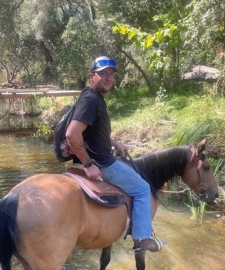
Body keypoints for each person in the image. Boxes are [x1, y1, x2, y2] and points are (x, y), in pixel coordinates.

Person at [65, 55, 165, 254]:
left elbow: (92, 134)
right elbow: (72, 134)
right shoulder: (91, 100)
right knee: (143, 189)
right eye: (103, 74)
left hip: (101, 156)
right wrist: (88, 164)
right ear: (91, 76)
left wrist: (115, 142)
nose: (108, 78)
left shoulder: (95, 98)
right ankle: (142, 239)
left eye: (111, 74)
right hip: (104, 163)